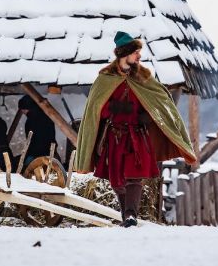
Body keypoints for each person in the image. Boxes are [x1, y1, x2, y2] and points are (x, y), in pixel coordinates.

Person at [75, 31, 197, 227]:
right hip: (114, 136)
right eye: (136, 53)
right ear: (125, 54)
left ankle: (131, 215)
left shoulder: (144, 78)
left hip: (137, 135)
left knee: (134, 177)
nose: (139, 56)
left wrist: (144, 115)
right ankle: (127, 215)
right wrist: (119, 109)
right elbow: (97, 109)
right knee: (117, 180)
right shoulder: (105, 78)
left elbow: (160, 102)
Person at [18, 95, 57, 166]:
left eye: (22, 109)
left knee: (24, 169)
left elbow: (31, 141)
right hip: (49, 152)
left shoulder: (30, 121)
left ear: (26, 108)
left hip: (36, 154)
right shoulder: (47, 117)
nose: (22, 111)